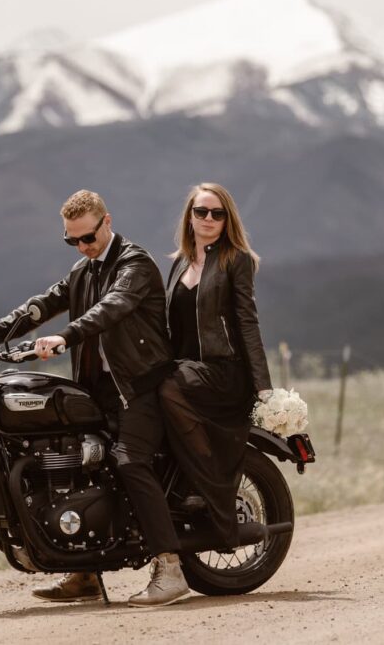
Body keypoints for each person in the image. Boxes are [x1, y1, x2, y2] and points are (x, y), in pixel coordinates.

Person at [0, 189, 190, 607]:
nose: (83, 247)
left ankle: (171, 567)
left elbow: (112, 307)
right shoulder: (82, 271)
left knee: (129, 461)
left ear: (107, 221)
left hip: (141, 386)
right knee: (76, 462)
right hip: (99, 390)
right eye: (73, 241)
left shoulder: (135, 264)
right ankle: (85, 573)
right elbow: (37, 307)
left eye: (87, 238)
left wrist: (66, 336)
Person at [159, 182, 273, 548]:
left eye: (217, 213)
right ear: (189, 217)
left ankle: (207, 482)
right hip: (183, 367)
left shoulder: (235, 259)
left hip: (223, 370)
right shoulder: (178, 263)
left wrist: (263, 385)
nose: (208, 219)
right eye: (201, 211)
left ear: (227, 221)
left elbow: (247, 322)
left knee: (168, 384)